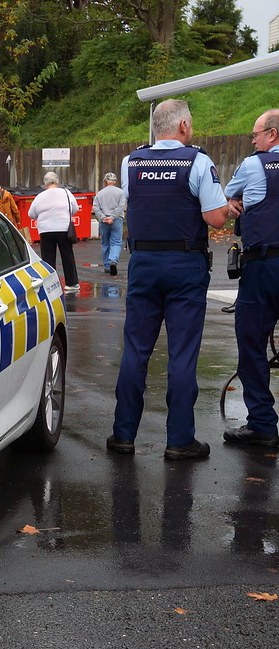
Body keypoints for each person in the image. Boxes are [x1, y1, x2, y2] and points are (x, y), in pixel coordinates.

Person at [107, 99, 229, 461]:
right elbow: (216, 219)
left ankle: (123, 434)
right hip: (184, 266)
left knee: (136, 350)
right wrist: (227, 206)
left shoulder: (132, 162)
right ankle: (179, 439)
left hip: (143, 263)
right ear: (184, 127)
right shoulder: (198, 162)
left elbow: (132, 206)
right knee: (182, 354)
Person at [222, 109, 279, 448]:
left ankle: (262, 424)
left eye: (256, 133)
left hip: (265, 265)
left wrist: (234, 201)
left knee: (252, 343)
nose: (253, 139)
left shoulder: (255, 165)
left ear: (272, 135)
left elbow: (230, 195)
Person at [28, 171, 80, 292]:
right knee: (67, 255)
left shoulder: (40, 196)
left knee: (48, 258)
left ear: (45, 183)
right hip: (64, 229)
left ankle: (49, 285)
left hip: (46, 230)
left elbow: (31, 214)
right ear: (57, 181)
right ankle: (71, 284)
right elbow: (75, 208)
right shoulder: (66, 193)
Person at [93, 172, 126, 275]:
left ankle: (107, 265)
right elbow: (121, 207)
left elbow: (95, 207)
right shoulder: (121, 193)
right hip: (116, 220)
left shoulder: (100, 193)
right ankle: (113, 260)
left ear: (105, 181)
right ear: (115, 182)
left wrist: (103, 218)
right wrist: (112, 217)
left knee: (105, 243)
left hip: (104, 221)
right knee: (116, 242)